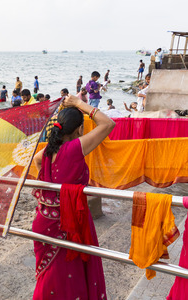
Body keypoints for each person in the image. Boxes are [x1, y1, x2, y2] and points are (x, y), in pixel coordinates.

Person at [31, 94, 115, 299]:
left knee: (51, 278)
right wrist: (79, 103)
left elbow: (36, 161)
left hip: (45, 220)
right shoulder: (74, 148)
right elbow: (108, 124)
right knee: (68, 278)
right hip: (67, 223)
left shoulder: (48, 151)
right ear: (79, 129)